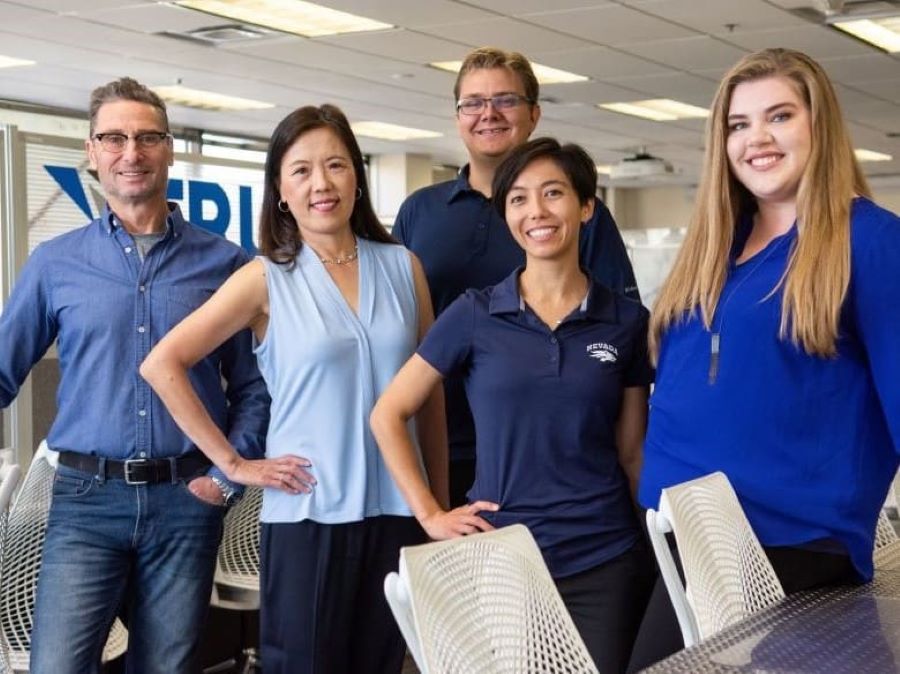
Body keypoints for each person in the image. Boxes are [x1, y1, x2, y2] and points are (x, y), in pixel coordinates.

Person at [141, 103, 445, 674]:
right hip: (309, 515)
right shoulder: (264, 278)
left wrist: (435, 509)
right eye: (301, 170)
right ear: (280, 189)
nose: (321, 184)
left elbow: (429, 400)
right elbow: (163, 364)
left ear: (357, 174)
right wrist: (234, 462)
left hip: (398, 513)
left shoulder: (406, 267)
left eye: (335, 165)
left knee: (382, 665)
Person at [628, 48, 900, 671]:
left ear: (818, 125)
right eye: (739, 124)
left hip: (789, 547)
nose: (758, 139)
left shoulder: (870, 242)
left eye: (779, 116)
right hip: (685, 541)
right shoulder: (714, 248)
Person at [0, 77, 270, 673]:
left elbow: (255, 389)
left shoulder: (226, 263)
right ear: (92, 153)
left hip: (186, 500)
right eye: (114, 138)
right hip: (85, 502)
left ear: (168, 148)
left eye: (147, 137)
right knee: (57, 666)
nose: (131, 152)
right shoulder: (55, 264)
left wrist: (228, 476)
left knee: (166, 667)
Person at [372, 137, 655, 673]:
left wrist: (663, 539)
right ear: (507, 215)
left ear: (587, 207)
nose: (537, 212)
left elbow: (632, 452)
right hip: (503, 557)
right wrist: (430, 514)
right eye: (519, 199)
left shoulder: (626, 322)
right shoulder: (474, 315)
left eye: (554, 193)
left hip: (605, 556)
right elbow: (387, 413)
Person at [393, 46, 640, 507]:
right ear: (458, 116)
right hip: (437, 442)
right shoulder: (418, 212)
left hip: (551, 455)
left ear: (534, 114)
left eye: (505, 100)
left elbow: (619, 335)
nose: (488, 114)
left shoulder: (574, 217)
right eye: (473, 103)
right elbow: (396, 325)